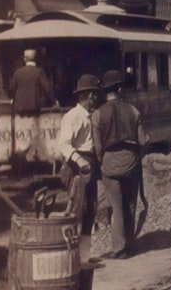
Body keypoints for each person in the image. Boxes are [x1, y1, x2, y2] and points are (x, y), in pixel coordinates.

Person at [91, 70, 146, 258]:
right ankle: (131, 243)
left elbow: (97, 147)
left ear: (105, 91)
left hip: (109, 161)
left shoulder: (97, 115)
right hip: (130, 160)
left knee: (116, 206)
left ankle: (119, 248)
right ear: (120, 89)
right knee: (130, 203)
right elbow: (143, 140)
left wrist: (101, 164)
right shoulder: (133, 110)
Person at [57, 74, 102, 265]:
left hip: (88, 163)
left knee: (90, 209)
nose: (97, 100)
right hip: (76, 167)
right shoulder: (73, 117)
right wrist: (79, 160)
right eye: (96, 96)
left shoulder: (88, 117)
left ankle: (84, 257)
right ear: (90, 96)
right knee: (78, 211)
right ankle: (72, 257)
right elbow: (63, 144)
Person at [9, 49, 57, 115]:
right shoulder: (39, 72)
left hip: (19, 107)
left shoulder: (17, 72)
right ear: (36, 59)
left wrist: (13, 99)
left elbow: (11, 88)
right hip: (34, 107)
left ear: (24, 59)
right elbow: (47, 88)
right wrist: (54, 101)